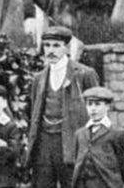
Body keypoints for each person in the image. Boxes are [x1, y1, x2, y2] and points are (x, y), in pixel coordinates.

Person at [26, 26, 99, 188]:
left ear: (66, 48)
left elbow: (97, 111)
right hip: (44, 143)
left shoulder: (84, 74)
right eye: (47, 45)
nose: (50, 50)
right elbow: (34, 113)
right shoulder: (38, 78)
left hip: (71, 141)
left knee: (73, 183)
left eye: (56, 45)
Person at [70, 87, 124, 188]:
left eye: (97, 104)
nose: (93, 108)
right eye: (89, 104)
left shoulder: (117, 134)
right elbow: (75, 161)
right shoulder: (80, 134)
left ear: (107, 106)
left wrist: (115, 181)